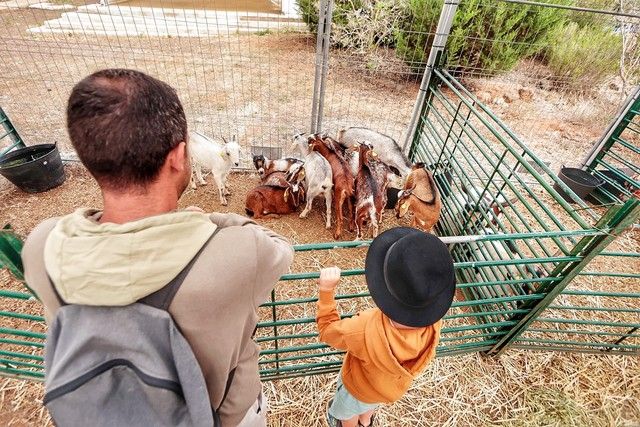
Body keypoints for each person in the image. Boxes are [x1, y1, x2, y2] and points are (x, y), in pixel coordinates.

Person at [21, 69, 294, 426]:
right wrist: (208, 219)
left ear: (88, 159)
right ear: (178, 156)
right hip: (222, 416)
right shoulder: (241, 251)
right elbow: (283, 250)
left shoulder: (42, 246)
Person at [317, 227, 455, 427]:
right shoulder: (433, 323)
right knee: (369, 405)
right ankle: (366, 421)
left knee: (346, 413)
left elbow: (327, 331)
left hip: (357, 388)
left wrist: (326, 290)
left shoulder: (365, 328)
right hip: (385, 390)